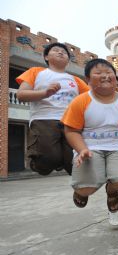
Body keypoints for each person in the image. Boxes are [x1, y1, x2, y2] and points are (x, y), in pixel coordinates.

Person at [61, 58, 118, 229]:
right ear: (88, 80)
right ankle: (81, 190)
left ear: (115, 77)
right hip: (89, 148)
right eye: (98, 73)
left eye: (109, 72)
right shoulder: (80, 101)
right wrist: (81, 149)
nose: (105, 76)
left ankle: (111, 191)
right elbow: (71, 130)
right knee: (86, 188)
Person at [16, 42, 89, 176]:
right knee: (49, 159)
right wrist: (45, 93)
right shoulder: (35, 72)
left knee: (75, 164)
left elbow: (91, 99)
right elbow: (21, 95)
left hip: (70, 122)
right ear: (46, 57)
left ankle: (69, 172)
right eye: (55, 50)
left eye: (64, 52)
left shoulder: (76, 80)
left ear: (68, 60)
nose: (60, 52)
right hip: (44, 119)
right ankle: (38, 163)